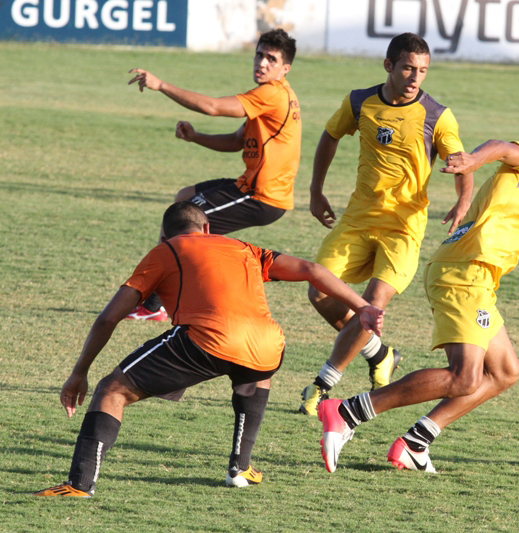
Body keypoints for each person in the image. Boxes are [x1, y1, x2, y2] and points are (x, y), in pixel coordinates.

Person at [316, 108, 519, 473]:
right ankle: (346, 412)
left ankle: (415, 443)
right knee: (464, 377)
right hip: (465, 273)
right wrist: (473, 160)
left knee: (504, 371)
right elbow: (504, 147)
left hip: (475, 278)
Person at [34, 202, 383, 497]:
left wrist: (79, 372)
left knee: (112, 390)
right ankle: (240, 468)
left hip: (208, 339)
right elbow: (311, 269)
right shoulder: (244, 248)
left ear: (165, 236)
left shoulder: (166, 250)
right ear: (207, 227)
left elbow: (109, 317)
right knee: (255, 374)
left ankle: (79, 484)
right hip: (269, 344)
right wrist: (362, 306)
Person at [300, 32, 474, 415]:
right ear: (388, 65)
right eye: (409, 68)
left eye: (423, 70)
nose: (415, 77)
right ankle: (380, 355)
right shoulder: (359, 101)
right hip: (358, 220)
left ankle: (322, 384)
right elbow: (329, 136)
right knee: (319, 291)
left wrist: (463, 201)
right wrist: (315, 191)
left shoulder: (437, 115)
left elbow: (461, 163)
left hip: (403, 228)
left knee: (373, 305)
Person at [124, 28, 301, 322]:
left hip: (261, 196)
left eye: (271, 59)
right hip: (250, 187)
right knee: (184, 199)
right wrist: (196, 137)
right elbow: (236, 141)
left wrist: (161, 85)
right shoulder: (276, 94)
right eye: (259, 55)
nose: (262, 63)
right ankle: (177, 295)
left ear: (285, 68)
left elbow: (213, 106)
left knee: (183, 222)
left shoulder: (272, 94)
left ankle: (155, 305)